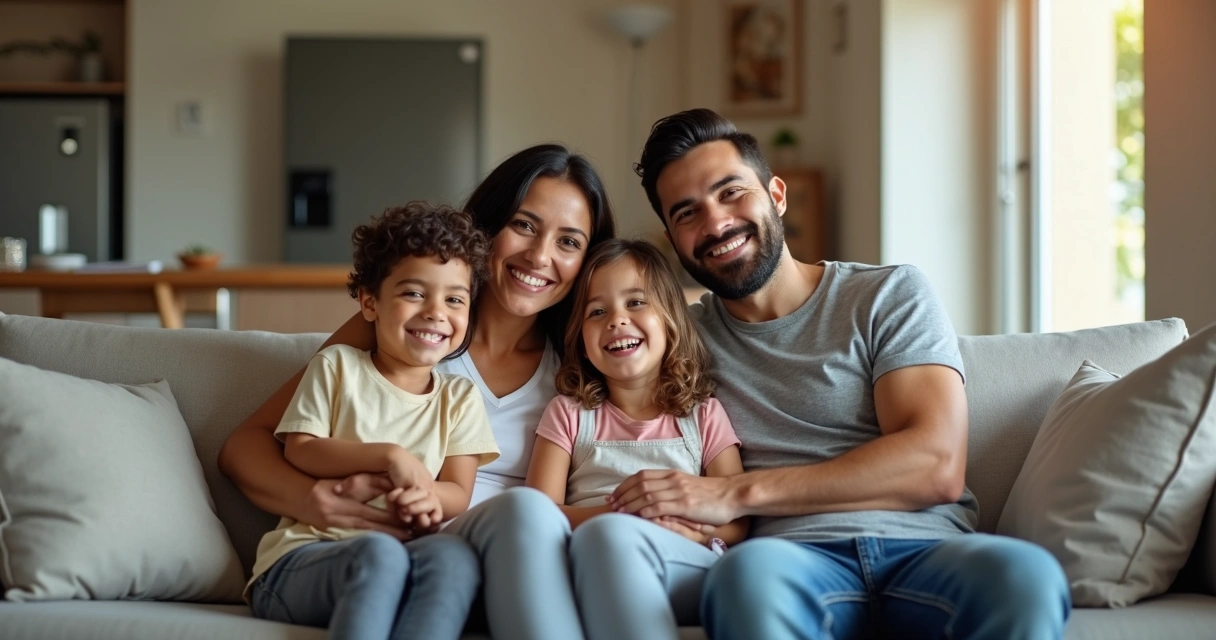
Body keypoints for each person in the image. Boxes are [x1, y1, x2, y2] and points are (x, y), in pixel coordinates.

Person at [606, 108, 1071, 639]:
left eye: (730, 192)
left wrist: (736, 493)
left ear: (776, 195)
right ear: (671, 236)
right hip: (785, 564)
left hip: (928, 551)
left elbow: (935, 464)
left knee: (1027, 577)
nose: (715, 223)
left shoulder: (887, 295)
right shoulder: (675, 341)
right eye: (686, 213)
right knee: (743, 582)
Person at [219, 144, 616, 640]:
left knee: (519, 516)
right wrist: (314, 502)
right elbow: (244, 446)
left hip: (492, 562)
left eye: (569, 242)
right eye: (524, 225)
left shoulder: (586, 361)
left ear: (587, 262)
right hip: (382, 554)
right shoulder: (407, 330)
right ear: (486, 229)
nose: (540, 256)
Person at [246, 203, 499, 639]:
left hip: (401, 557)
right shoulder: (336, 366)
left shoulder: (459, 398)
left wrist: (425, 498)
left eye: (454, 299)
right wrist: (389, 456)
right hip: (303, 559)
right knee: (379, 555)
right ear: (369, 303)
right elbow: (300, 448)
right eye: (414, 293)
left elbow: (458, 491)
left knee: (454, 559)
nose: (436, 312)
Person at [525, 239, 748, 640]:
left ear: (670, 320)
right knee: (606, 543)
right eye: (597, 311)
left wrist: (696, 534)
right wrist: (620, 519)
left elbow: (738, 520)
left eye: (636, 303)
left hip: (682, 559)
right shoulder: (570, 413)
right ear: (580, 337)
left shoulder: (703, 415)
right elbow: (537, 514)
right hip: (593, 558)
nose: (616, 320)